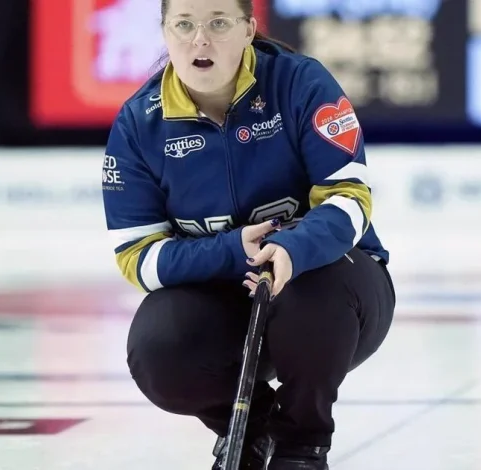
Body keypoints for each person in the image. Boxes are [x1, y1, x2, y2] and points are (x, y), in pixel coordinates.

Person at [101, 0, 396, 468]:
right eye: (184, 24)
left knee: (308, 297)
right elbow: (137, 256)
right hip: (225, 303)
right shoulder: (139, 123)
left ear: (248, 30)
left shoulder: (300, 83)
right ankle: (254, 432)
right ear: (164, 32)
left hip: (338, 293)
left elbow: (350, 198)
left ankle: (302, 445)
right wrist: (231, 250)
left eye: (219, 23)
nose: (201, 39)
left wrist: (292, 249)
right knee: (159, 349)